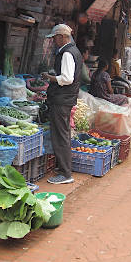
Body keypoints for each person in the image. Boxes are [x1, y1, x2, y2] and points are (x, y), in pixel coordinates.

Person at [41, 24, 83, 185]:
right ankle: (63, 169)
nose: (53, 41)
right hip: (65, 98)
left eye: (55, 38)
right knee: (62, 134)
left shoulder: (67, 53)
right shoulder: (74, 51)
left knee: (61, 136)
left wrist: (49, 77)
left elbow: (67, 79)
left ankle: (65, 173)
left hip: (61, 99)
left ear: (62, 37)